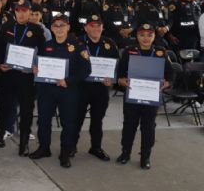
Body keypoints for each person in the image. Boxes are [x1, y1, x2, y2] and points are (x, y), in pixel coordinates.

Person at [29, 15, 91, 168]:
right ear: (51, 28)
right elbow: (40, 64)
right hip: (47, 90)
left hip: (68, 91)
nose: (59, 28)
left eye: (62, 25)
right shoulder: (46, 45)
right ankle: (44, 148)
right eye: (56, 26)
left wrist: (68, 81)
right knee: (43, 121)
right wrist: (36, 69)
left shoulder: (78, 46)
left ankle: (65, 153)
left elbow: (86, 70)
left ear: (68, 27)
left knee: (68, 123)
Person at [0, 2, 46, 155]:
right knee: (2, 108)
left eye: (25, 11)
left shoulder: (36, 29)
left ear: (29, 12)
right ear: (15, 12)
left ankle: (24, 143)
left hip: (26, 77)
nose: (21, 14)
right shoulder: (7, 27)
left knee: (27, 111)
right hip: (7, 75)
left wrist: (38, 65)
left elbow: (43, 51)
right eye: (18, 11)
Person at [116, 23, 172, 169]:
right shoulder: (129, 51)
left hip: (152, 97)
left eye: (149, 35)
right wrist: (121, 80)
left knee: (148, 127)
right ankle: (125, 153)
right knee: (129, 125)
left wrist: (168, 82)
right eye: (142, 35)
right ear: (137, 36)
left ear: (154, 36)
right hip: (132, 96)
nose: (146, 38)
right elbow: (120, 73)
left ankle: (145, 156)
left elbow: (170, 73)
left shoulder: (161, 52)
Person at [75, 14, 119, 161]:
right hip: (81, 88)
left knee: (97, 120)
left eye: (98, 25)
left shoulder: (110, 43)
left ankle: (96, 147)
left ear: (102, 27)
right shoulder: (77, 42)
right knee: (76, 119)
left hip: (101, 89)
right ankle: (71, 146)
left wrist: (112, 80)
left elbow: (115, 66)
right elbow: (70, 64)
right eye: (92, 25)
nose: (95, 28)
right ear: (86, 27)